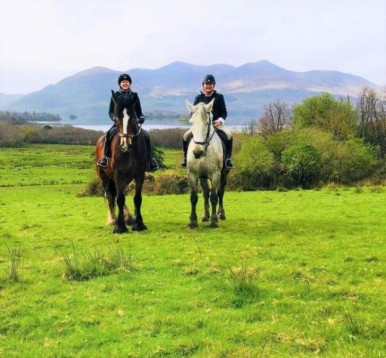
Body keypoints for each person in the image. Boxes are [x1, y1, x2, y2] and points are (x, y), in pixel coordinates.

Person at [97, 73, 159, 171]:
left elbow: (140, 112)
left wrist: (141, 118)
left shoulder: (134, 96)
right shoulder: (116, 96)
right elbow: (110, 111)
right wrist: (113, 118)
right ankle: (104, 157)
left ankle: (150, 160)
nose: (125, 83)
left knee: (146, 135)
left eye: (127, 82)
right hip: (119, 124)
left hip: (132, 125)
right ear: (120, 84)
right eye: (123, 82)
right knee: (108, 134)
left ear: (130, 83)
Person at [181, 74, 234, 169]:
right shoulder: (198, 98)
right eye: (206, 84)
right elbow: (193, 112)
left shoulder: (219, 97)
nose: (208, 86)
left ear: (214, 85)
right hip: (201, 126)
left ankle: (228, 159)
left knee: (229, 135)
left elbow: (224, 112)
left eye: (210, 84)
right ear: (203, 85)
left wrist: (220, 120)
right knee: (185, 136)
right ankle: (185, 159)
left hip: (216, 124)